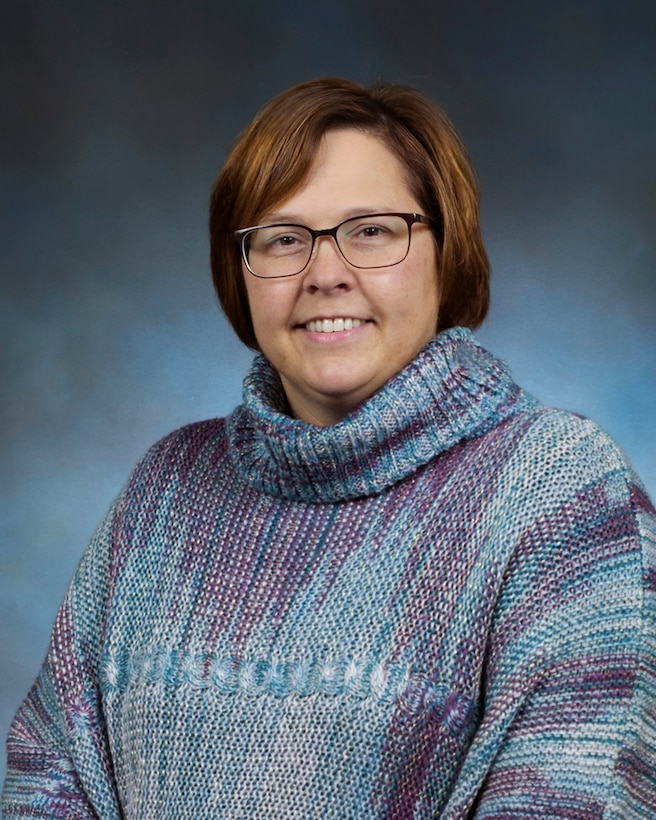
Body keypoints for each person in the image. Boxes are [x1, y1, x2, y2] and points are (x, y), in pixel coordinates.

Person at [3, 77, 656, 818]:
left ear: (446, 250)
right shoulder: (167, 489)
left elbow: (573, 796)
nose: (325, 273)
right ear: (239, 272)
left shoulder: (564, 493)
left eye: (371, 230)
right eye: (283, 238)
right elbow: (45, 775)